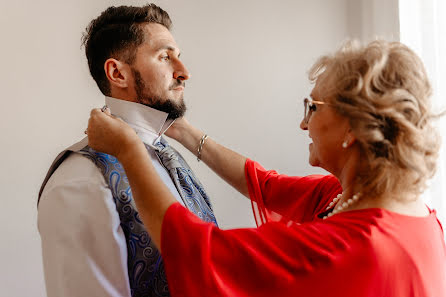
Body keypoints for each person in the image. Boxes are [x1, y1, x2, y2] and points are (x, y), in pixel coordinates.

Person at [87, 40, 446, 297]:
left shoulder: (352, 245)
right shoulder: (363, 201)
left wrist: (128, 149)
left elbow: (196, 250)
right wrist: (181, 129)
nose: (304, 124)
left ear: (353, 127)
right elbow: (264, 184)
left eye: (313, 107)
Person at [37, 4, 217, 297]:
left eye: (178, 58)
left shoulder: (171, 155)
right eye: (164, 57)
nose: (184, 73)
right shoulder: (81, 180)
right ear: (117, 73)